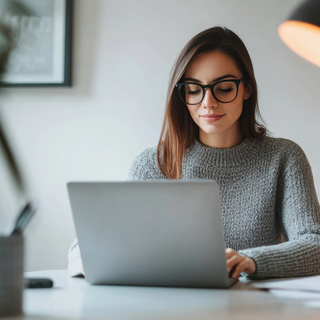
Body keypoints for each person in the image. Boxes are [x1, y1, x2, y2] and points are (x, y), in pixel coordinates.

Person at [68, 26, 320, 280]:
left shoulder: (284, 158)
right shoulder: (153, 164)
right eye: (193, 89)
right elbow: (84, 248)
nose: (208, 102)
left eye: (223, 88)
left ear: (247, 89)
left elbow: (315, 245)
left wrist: (250, 261)